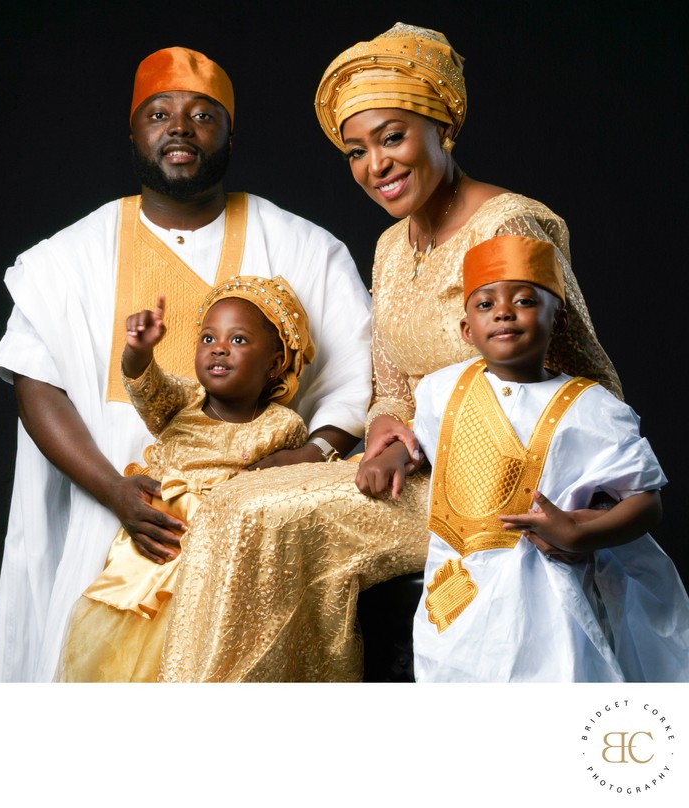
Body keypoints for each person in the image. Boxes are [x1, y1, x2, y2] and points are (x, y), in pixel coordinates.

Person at [156, 23, 622, 682]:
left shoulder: (508, 227)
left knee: (268, 519)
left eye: (392, 137)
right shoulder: (390, 247)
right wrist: (384, 437)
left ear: (443, 128)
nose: (375, 166)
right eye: (355, 151)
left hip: (504, 490)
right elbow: (391, 390)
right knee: (231, 503)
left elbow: (582, 382)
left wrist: (424, 445)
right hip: (415, 476)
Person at [0, 46, 373, 682]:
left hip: (257, 540)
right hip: (107, 521)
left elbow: (358, 373)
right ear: (134, 131)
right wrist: (115, 491)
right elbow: (36, 385)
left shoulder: (304, 246)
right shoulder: (67, 259)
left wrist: (312, 454)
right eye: (159, 112)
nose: (180, 126)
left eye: (202, 114)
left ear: (228, 133)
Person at [361, 234, 689, 681]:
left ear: (559, 320)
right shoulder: (440, 390)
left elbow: (646, 502)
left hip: (545, 597)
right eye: (484, 304)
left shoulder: (593, 409)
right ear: (466, 329)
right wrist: (398, 454)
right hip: (456, 593)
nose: (503, 311)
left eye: (525, 300)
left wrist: (577, 533)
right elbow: (430, 441)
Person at [56, 277, 314, 681]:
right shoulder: (182, 402)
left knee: (193, 659)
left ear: (275, 364)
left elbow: (282, 491)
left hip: (215, 564)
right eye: (208, 338)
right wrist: (138, 351)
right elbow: (146, 385)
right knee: (125, 663)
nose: (220, 348)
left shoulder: (283, 427)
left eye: (240, 341)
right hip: (151, 555)